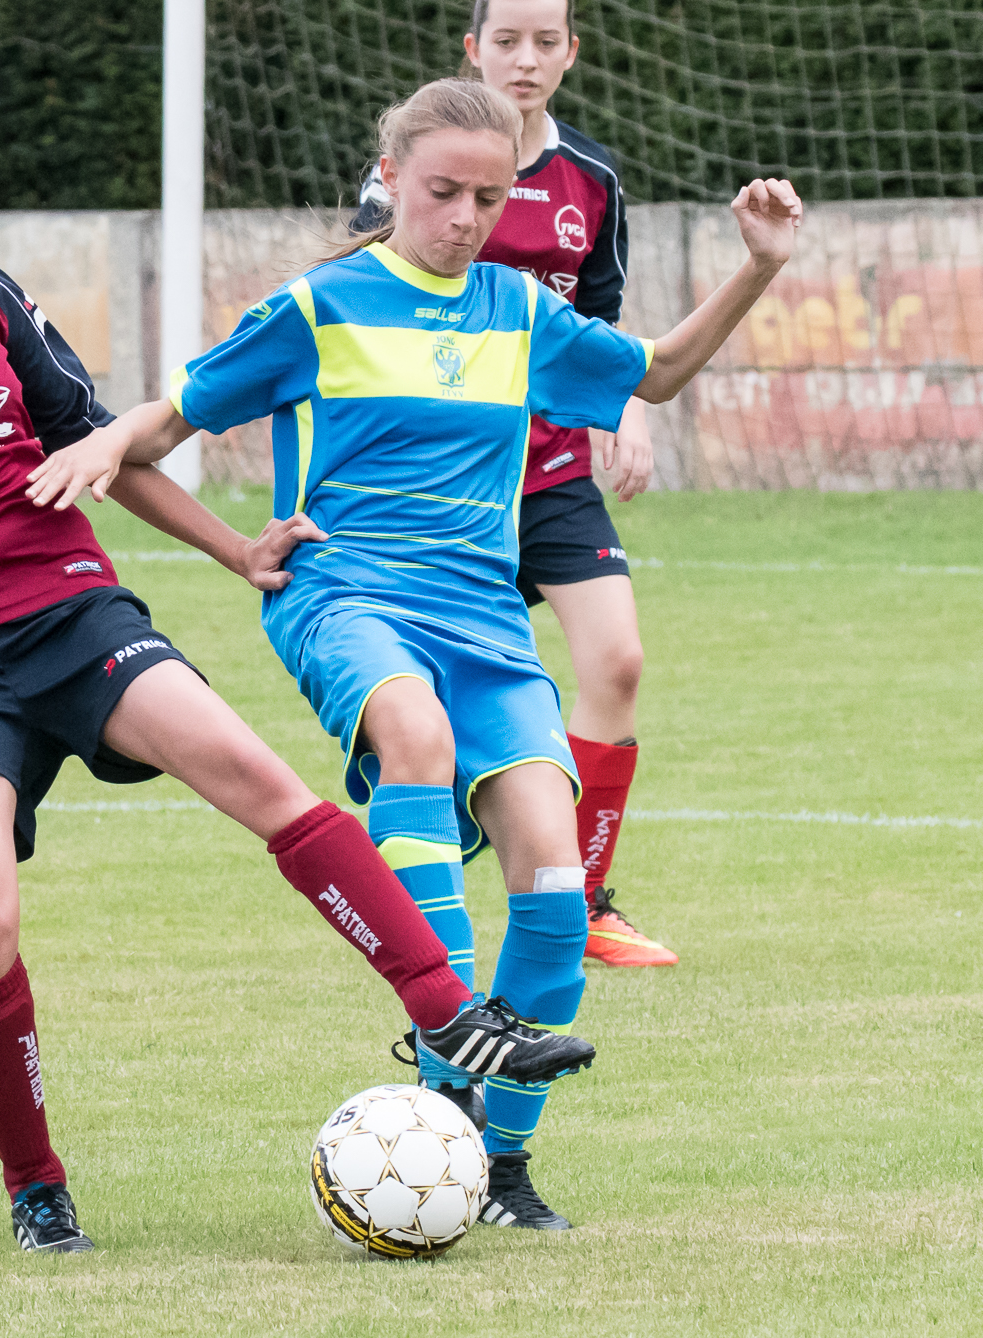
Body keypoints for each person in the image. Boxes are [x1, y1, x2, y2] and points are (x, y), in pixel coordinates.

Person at [0, 79, 595, 1255]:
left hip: (67, 613)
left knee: (258, 779)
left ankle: (447, 1016)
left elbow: (99, 446)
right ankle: (35, 1185)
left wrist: (234, 549)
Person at [25, 77, 799, 1229]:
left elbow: (656, 374)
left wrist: (758, 267)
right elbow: (169, 418)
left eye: (489, 198)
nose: (465, 218)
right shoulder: (317, 307)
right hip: (342, 592)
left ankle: (495, 1165)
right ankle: (447, 1026)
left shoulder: (517, 311)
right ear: (389, 180)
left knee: (552, 881)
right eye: (442, 192)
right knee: (413, 736)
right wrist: (109, 448)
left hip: (483, 620)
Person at [348, 0, 673, 967]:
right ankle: (442, 832)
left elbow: (607, 327)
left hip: (551, 470)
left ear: (572, 53)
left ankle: (589, 898)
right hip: (441, 481)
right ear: (472, 49)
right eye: (505, 40)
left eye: (545, 41)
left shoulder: (592, 179)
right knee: (435, 692)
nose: (525, 59)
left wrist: (630, 411)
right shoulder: (414, 170)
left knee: (617, 662)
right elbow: (362, 303)